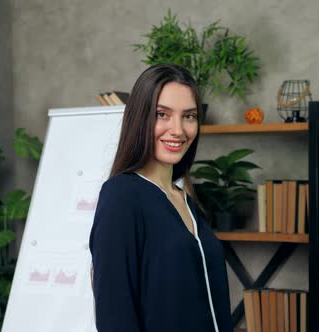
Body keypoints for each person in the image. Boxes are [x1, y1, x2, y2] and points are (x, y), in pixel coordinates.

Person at [89, 63, 233, 332]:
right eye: (162, 114)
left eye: (188, 116)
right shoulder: (122, 196)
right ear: (141, 119)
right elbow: (115, 315)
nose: (178, 129)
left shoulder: (186, 201)